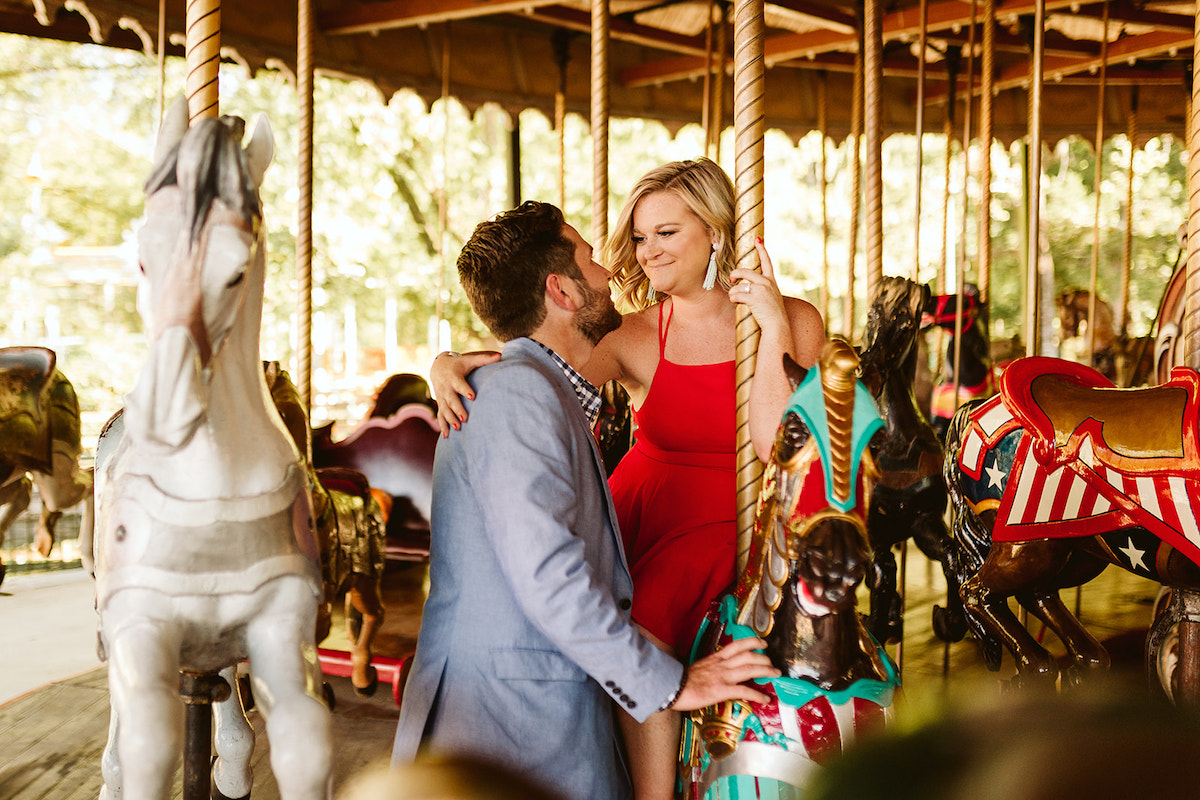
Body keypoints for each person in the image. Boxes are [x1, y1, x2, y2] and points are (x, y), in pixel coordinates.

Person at [430, 159, 824, 799]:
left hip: (735, 505)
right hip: (644, 500)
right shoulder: (636, 332)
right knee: (615, 604)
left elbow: (773, 446)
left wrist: (772, 325)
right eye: (640, 238)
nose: (646, 253)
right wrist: (445, 362)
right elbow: (530, 350)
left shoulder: (793, 319)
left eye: (666, 233)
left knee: (653, 604)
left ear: (716, 231)